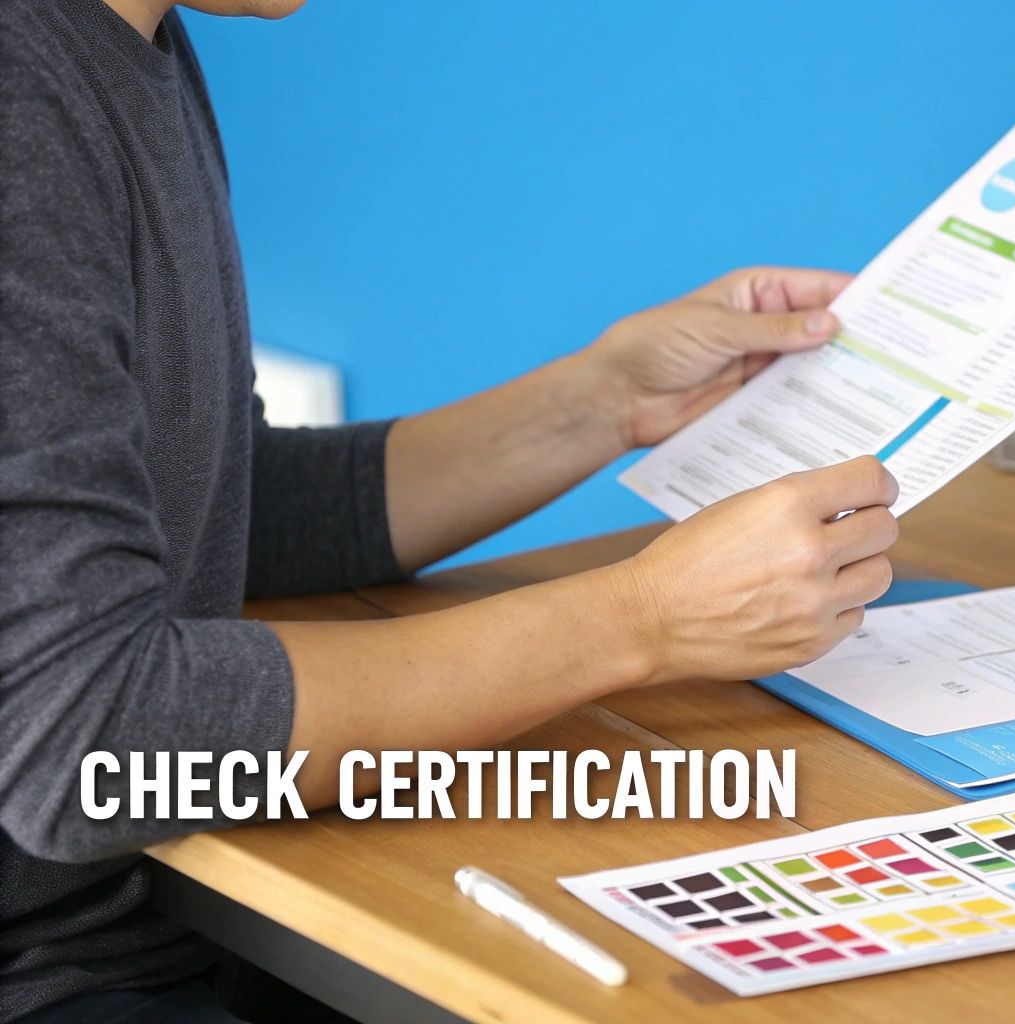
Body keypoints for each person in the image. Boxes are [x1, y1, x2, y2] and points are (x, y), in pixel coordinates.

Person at [0, 0, 900, 1019]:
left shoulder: (135, 42)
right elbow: (91, 744)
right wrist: (645, 618)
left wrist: (606, 399)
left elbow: (212, 503)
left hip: (167, 906)